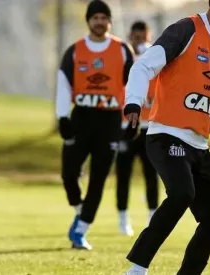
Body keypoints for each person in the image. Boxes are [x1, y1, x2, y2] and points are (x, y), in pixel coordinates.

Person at [122, 0, 210, 274]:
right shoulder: (186, 30)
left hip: (198, 147)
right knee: (183, 193)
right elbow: (142, 66)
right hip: (165, 136)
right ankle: (137, 269)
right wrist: (134, 102)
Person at [55, 0, 134, 250]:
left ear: (109, 21)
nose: (99, 22)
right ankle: (80, 210)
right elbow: (63, 82)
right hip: (81, 118)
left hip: (110, 120)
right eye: (95, 17)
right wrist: (62, 117)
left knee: (98, 179)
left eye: (104, 17)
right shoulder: (75, 51)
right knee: (69, 173)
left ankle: (80, 231)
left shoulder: (122, 50)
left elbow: (134, 87)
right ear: (88, 21)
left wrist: (132, 120)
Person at [115, 21, 159, 237]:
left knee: (152, 173)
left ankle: (153, 216)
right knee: (123, 174)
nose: (139, 39)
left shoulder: (154, 55)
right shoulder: (124, 55)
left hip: (149, 125)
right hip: (126, 125)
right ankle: (123, 218)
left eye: (143, 36)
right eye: (136, 36)